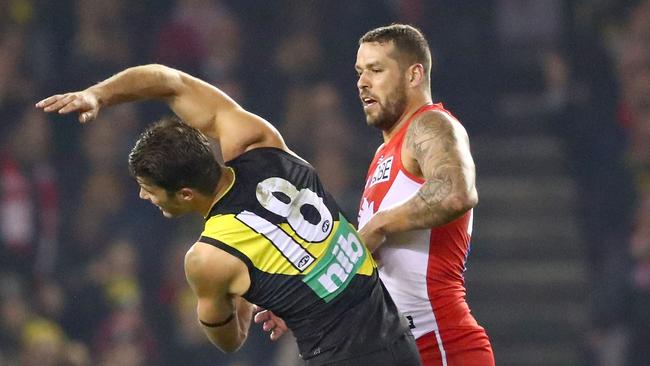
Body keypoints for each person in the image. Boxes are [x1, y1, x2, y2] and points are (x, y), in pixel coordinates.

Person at [35, 64, 421, 365]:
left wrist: (251, 289)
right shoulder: (256, 138)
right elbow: (170, 81)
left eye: (150, 189)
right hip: (395, 334)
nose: (142, 195)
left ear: (185, 193)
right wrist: (98, 94)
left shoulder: (209, 257)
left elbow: (231, 339)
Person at [256, 24, 495, 366]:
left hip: (440, 344)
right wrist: (303, 300)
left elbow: (456, 191)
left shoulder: (431, 125)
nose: (362, 82)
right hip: (396, 349)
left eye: (376, 70)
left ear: (414, 74)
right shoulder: (383, 156)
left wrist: (381, 223)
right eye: (359, 72)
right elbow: (366, 261)